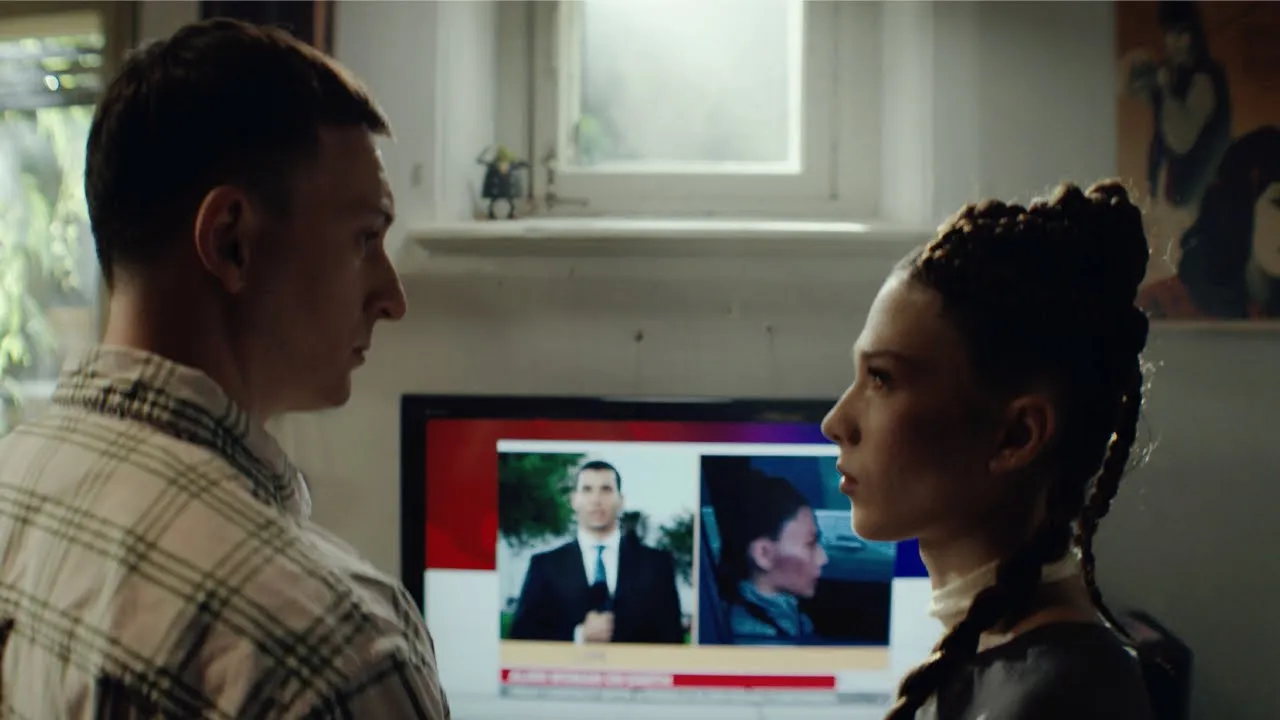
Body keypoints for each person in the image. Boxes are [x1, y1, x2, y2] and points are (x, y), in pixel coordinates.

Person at [0, 19, 449, 718]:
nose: (392, 297)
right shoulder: (335, 653)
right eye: (365, 238)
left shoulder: (13, 485)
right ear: (231, 240)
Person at [822, 181, 1155, 720]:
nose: (835, 422)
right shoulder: (996, 659)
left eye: (881, 379)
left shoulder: (1061, 698)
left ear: (1016, 436)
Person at [509, 460, 684, 644]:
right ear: (574, 500)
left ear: (621, 500)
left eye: (606, 490)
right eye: (587, 490)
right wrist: (578, 636)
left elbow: (672, 640)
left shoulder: (657, 565)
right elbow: (520, 638)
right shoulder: (544, 566)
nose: (596, 500)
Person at [720, 471, 828, 644]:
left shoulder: (788, 614)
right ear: (764, 554)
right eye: (810, 544)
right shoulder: (756, 640)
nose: (823, 559)